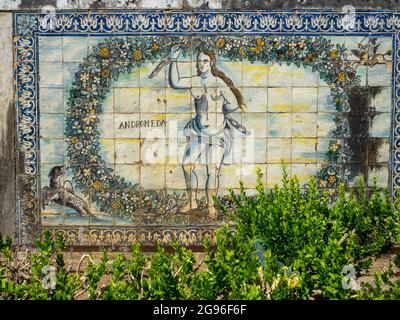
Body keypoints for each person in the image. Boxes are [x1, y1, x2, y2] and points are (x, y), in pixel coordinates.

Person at [168, 45, 249, 217]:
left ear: (211, 62)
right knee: (187, 165)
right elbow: (174, 83)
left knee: (212, 169)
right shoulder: (194, 81)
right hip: (198, 131)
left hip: (217, 133)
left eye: (205, 61)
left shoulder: (218, 83)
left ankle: (211, 205)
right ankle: (192, 201)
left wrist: (221, 112)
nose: (201, 64)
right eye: (199, 61)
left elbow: (233, 104)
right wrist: (173, 60)